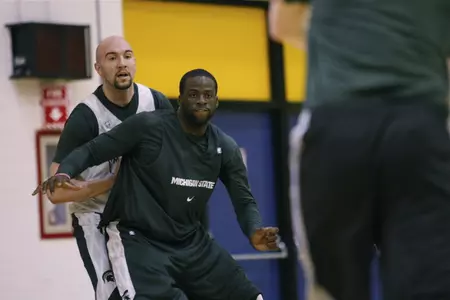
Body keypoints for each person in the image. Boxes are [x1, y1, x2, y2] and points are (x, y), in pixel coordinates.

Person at [33, 69, 278, 300]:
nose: (201, 100)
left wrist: (253, 230)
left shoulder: (226, 147)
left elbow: (244, 200)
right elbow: (93, 150)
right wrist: (65, 171)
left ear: (216, 101)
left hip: (191, 242)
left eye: (207, 95)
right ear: (180, 99)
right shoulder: (149, 127)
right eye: (193, 94)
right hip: (140, 241)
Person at [269, 1, 450, 300]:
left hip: (337, 122)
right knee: (429, 284)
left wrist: (349, 47)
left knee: (332, 286)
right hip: (420, 124)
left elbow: (283, 24)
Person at [32, 35, 173, 300]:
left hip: (142, 216)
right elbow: (56, 193)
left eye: (128, 56)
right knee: (114, 295)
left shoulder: (156, 103)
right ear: (98, 69)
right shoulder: (86, 116)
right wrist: (110, 182)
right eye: (112, 58)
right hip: (96, 218)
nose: (122, 63)